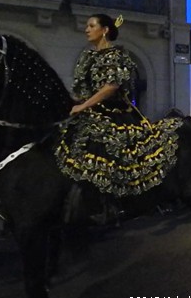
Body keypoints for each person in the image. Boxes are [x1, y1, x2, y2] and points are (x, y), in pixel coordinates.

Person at [54, 14, 182, 197]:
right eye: (86, 26)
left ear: (105, 30)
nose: (86, 29)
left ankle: (115, 200)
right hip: (91, 111)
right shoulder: (87, 56)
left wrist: (83, 106)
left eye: (91, 25)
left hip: (115, 113)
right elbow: (82, 89)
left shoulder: (116, 55)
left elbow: (111, 87)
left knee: (107, 149)